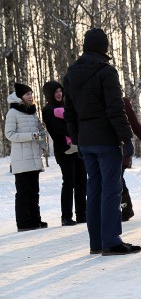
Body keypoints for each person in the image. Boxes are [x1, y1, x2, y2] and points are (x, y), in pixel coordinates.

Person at [63, 27, 141, 255]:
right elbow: (115, 109)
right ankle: (111, 241)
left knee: (93, 189)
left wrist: (77, 139)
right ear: (104, 47)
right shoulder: (106, 72)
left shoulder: (71, 74)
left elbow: (69, 112)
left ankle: (96, 242)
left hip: (86, 140)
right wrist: (126, 138)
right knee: (111, 188)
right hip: (106, 139)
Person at [41, 80, 87, 226]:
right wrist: (73, 128)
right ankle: (66, 216)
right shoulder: (48, 110)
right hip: (64, 151)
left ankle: (82, 214)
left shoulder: (67, 106)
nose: (59, 94)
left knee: (82, 181)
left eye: (60, 90)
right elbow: (57, 130)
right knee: (69, 182)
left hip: (78, 148)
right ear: (50, 94)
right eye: (55, 92)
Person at [5, 83, 48, 232]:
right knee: (23, 191)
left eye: (31, 93)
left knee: (34, 191)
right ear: (20, 97)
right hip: (21, 159)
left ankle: (35, 219)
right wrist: (31, 136)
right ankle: (24, 222)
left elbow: (40, 130)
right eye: (27, 94)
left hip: (34, 157)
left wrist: (43, 144)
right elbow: (9, 134)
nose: (30, 96)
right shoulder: (13, 113)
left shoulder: (32, 112)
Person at [120, 97, 141, 222]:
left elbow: (135, 124)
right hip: (106, 148)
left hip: (123, 149)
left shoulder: (123, 103)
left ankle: (125, 209)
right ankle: (126, 209)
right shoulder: (97, 100)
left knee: (117, 178)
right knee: (115, 179)